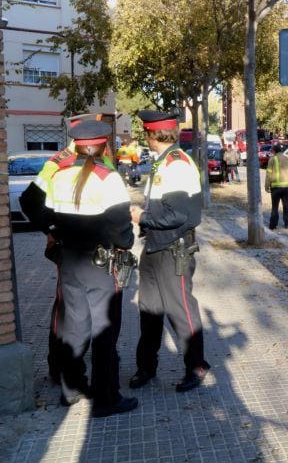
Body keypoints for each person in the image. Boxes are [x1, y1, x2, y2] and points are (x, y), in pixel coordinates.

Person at [20, 119, 138, 417]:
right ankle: (106, 399)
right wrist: (127, 241)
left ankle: (71, 388)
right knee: (104, 331)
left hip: (69, 261)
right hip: (100, 265)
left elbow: (40, 208)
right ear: (102, 145)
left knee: (74, 326)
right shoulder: (108, 177)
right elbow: (120, 233)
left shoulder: (60, 174)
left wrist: (52, 231)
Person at [128, 110, 210, 393]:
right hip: (155, 246)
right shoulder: (162, 162)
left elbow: (179, 215)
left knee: (180, 309)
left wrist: (142, 218)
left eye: (145, 133)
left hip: (173, 249)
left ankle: (196, 366)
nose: (144, 138)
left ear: (153, 134)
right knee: (149, 309)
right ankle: (146, 367)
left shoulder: (177, 164)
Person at [265, 144, 288, 230]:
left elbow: (268, 173)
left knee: (275, 208)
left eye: (272, 151)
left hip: (276, 187)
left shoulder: (272, 159)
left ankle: (273, 225)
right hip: (286, 186)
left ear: (274, 151)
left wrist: (266, 186)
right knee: (286, 206)